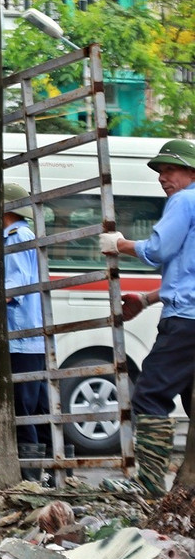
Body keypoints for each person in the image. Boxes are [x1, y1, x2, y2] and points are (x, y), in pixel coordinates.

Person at [99, 138, 195, 496]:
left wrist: (120, 244)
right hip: (186, 313)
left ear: (191, 171)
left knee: (150, 395)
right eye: (160, 171)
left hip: (185, 321)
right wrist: (148, 297)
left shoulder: (184, 200)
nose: (162, 178)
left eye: (170, 169)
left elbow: (158, 251)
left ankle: (149, 483)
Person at [3, 183, 50, 478]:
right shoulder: (25, 235)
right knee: (42, 409)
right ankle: (55, 473)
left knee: (24, 410)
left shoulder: (16, 238)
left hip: (22, 337)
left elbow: (12, 289)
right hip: (32, 337)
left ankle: (31, 477)